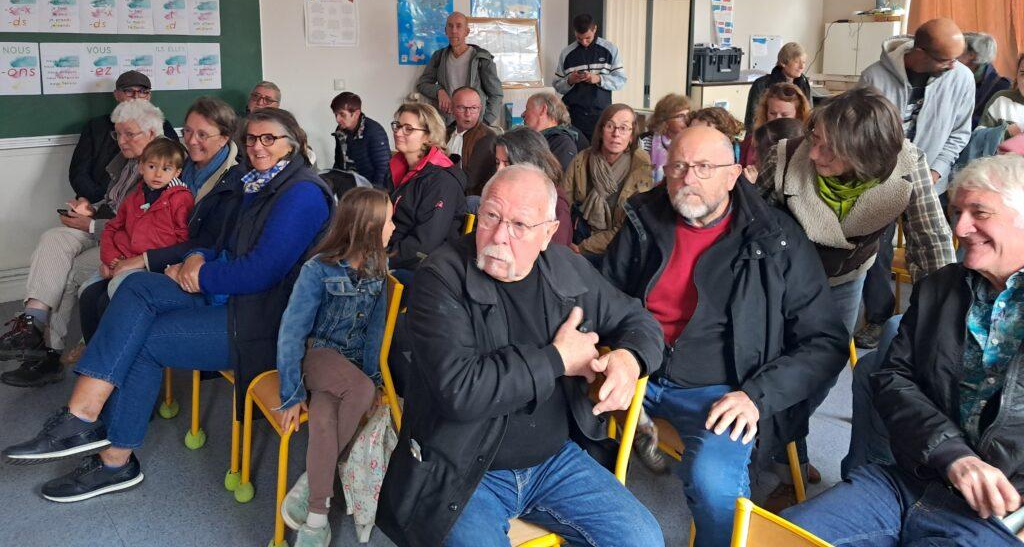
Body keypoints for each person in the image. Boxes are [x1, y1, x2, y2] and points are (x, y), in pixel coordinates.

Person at [2, 108, 333, 503]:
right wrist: (196, 258)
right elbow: (222, 243)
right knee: (137, 286)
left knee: (144, 340)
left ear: (291, 144)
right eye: (251, 138)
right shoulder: (258, 182)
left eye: (268, 139)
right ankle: (82, 416)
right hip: (229, 295)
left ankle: (114, 461)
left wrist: (200, 275)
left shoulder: (303, 194)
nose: (257, 146)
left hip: (261, 322)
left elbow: (262, 272)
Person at [376, 164, 666, 547]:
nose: (499, 235)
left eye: (519, 225)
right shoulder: (440, 277)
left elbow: (638, 319)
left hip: (554, 461)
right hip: (463, 467)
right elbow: (460, 390)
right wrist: (556, 359)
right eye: (491, 216)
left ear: (547, 233)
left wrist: (630, 359)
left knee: (644, 539)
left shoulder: (564, 267)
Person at [601, 125, 848, 547]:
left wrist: (756, 396)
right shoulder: (646, 218)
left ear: (733, 175)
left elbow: (826, 341)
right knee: (553, 420)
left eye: (703, 167)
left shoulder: (775, 239)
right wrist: (616, 351)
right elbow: (607, 295)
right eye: (678, 166)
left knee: (713, 485)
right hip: (638, 369)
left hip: (723, 390)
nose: (687, 179)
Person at [783, 154, 1024, 547]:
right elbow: (894, 378)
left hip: (1000, 516)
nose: (960, 228)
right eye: (957, 212)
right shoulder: (940, 288)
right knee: (777, 537)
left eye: (979, 213)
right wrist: (954, 455)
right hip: (912, 479)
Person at [756, 87, 956, 509]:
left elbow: (931, 244)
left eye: (829, 149)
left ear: (865, 156)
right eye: (815, 138)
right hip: (781, 281)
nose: (814, 154)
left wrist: (942, 319)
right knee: (778, 366)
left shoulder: (908, 166)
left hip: (845, 279)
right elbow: (751, 229)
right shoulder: (785, 157)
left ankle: (784, 447)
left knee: (823, 370)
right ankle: (787, 457)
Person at [0, 99, 164, 387]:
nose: (121, 141)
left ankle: (47, 357)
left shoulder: (161, 167)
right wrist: (91, 209)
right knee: (53, 239)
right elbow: (113, 203)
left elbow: (142, 228)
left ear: (151, 133)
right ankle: (32, 327)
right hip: (105, 227)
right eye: (117, 134)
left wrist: (90, 224)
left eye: (129, 134)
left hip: (128, 246)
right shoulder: (128, 160)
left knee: (70, 269)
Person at [275, 188, 393, 547]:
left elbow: (374, 336)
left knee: (325, 421)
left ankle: (315, 516)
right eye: (389, 221)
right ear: (368, 228)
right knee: (360, 389)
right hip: (318, 357)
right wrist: (291, 392)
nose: (394, 228)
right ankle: (316, 485)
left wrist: (372, 378)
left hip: (349, 370)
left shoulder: (379, 274)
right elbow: (291, 332)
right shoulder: (317, 270)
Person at [77, 97, 244, 343]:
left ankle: (120, 360)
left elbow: (209, 241)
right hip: (149, 251)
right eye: (187, 131)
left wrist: (143, 260)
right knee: (90, 295)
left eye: (202, 134)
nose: (191, 140)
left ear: (224, 138)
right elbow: (136, 219)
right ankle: (96, 358)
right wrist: (116, 257)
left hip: (188, 267)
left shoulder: (234, 182)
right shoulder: (175, 164)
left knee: (110, 298)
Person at [856, 17, 973, 348]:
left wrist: (934, 171)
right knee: (876, 253)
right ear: (919, 52)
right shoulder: (874, 78)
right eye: (946, 59)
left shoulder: (961, 78)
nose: (954, 66)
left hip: (930, 179)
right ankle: (878, 318)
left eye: (957, 58)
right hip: (880, 182)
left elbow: (960, 132)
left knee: (933, 251)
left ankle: (928, 322)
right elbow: (861, 136)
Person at [97, 138, 193, 296]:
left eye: (166, 169)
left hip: (153, 266)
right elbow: (112, 227)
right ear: (141, 167)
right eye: (152, 166)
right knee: (87, 288)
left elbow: (183, 240)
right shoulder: (134, 196)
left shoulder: (181, 199)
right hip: (123, 257)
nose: (158, 174)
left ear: (177, 173)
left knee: (117, 287)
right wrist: (110, 258)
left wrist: (158, 263)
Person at [68, 70, 178, 202]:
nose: (136, 97)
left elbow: (172, 165)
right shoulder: (96, 127)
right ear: (116, 95)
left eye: (142, 92)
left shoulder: (162, 126)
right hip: (100, 199)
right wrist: (97, 202)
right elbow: (79, 172)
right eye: (129, 91)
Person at [386, 102, 467, 276]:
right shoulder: (397, 166)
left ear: (429, 136)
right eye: (398, 126)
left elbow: (425, 244)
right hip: (391, 250)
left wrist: (383, 259)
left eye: (408, 129)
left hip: (423, 267)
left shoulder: (442, 181)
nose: (398, 132)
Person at [562, 103, 652, 258]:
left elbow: (630, 225)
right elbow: (563, 204)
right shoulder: (582, 160)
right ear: (601, 130)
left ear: (631, 136)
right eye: (610, 126)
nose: (616, 134)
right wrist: (566, 242)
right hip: (576, 242)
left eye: (623, 128)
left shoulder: (641, 166)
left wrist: (584, 247)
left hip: (618, 250)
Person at [415, 12, 503, 125]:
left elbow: (496, 94)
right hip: (447, 123)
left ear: (467, 31)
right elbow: (422, 84)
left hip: (474, 124)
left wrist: (485, 122)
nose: (454, 31)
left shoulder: (481, 58)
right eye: (450, 26)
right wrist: (439, 91)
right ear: (446, 30)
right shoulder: (439, 56)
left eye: (459, 26)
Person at [553, 13, 627, 141]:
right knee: (575, 150)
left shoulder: (610, 49)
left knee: (598, 149)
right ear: (574, 32)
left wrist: (599, 79)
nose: (584, 42)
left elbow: (621, 80)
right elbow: (557, 85)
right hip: (572, 115)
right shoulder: (566, 53)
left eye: (588, 38)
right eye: (579, 38)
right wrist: (570, 81)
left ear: (595, 29)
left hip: (600, 114)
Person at [494, 126, 571, 246]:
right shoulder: (507, 191)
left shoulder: (555, 204)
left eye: (507, 163)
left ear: (529, 161)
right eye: (497, 162)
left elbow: (554, 252)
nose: (499, 170)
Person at [739, 82, 810, 169]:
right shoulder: (751, 142)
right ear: (765, 112)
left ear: (799, 114)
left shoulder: (807, 145)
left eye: (784, 115)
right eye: (772, 113)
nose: (777, 118)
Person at [743, 42, 811, 131]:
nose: (802, 67)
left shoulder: (804, 83)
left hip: (795, 133)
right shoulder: (761, 84)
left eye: (804, 62)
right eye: (797, 62)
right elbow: (751, 121)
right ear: (783, 62)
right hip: (767, 134)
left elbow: (808, 115)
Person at [446, 86, 498, 196]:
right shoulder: (444, 133)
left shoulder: (487, 137)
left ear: (480, 109)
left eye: (473, 108)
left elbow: (469, 181)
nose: (468, 114)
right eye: (461, 107)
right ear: (452, 108)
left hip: (469, 198)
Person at [330, 91, 390, 187]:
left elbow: (383, 169)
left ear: (356, 114)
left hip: (368, 187)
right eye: (335, 114)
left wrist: (373, 192)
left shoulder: (374, 131)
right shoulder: (340, 130)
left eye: (342, 114)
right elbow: (339, 162)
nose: (337, 119)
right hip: (347, 183)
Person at [522, 90, 587, 171]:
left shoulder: (562, 143)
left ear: (543, 110)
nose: (522, 114)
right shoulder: (548, 138)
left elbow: (557, 176)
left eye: (527, 109)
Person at [961, 32, 1011, 129]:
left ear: (972, 55)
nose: (952, 56)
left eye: (959, 51)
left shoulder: (1003, 87)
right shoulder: (958, 79)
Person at [640, 93, 691, 183]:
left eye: (688, 115)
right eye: (680, 116)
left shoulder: (692, 141)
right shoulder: (646, 141)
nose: (687, 120)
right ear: (665, 120)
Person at [979, 52, 1024, 138]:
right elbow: (977, 139)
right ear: (1017, 76)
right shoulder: (1001, 99)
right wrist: (1007, 132)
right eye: (1023, 73)